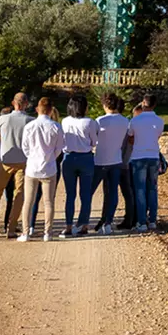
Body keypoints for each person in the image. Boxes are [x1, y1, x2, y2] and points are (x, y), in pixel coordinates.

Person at [18, 96, 66, 242]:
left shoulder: (29, 126)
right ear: (51, 110)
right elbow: (59, 148)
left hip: (32, 167)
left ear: (38, 109)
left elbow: (24, 147)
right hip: (49, 167)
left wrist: (32, 157)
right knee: (48, 202)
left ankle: (26, 232)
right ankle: (48, 233)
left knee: (28, 201)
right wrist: (50, 157)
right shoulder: (56, 127)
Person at [0, 93, 32, 238]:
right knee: (19, 194)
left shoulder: (3, 118)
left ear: (13, 103)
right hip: (23, 160)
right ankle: (11, 228)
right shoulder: (30, 120)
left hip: (5, 160)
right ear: (26, 104)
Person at [123, 95, 165, 234]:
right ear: (154, 105)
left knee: (139, 189)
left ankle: (141, 222)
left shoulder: (135, 121)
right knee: (152, 188)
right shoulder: (159, 121)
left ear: (143, 103)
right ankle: (152, 220)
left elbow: (130, 137)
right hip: (153, 156)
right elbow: (157, 136)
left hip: (138, 157)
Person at [90, 93, 131, 235]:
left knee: (89, 191)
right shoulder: (125, 121)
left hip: (100, 160)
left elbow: (93, 139)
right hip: (116, 160)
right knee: (112, 192)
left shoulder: (100, 121)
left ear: (105, 105)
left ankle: (83, 221)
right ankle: (107, 222)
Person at [59, 97, 97, 236]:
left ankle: (68, 225)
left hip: (69, 157)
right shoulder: (90, 122)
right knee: (85, 194)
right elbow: (94, 142)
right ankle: (84, 225)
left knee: (70, 194)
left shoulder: (65, 121)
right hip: (86, 158)